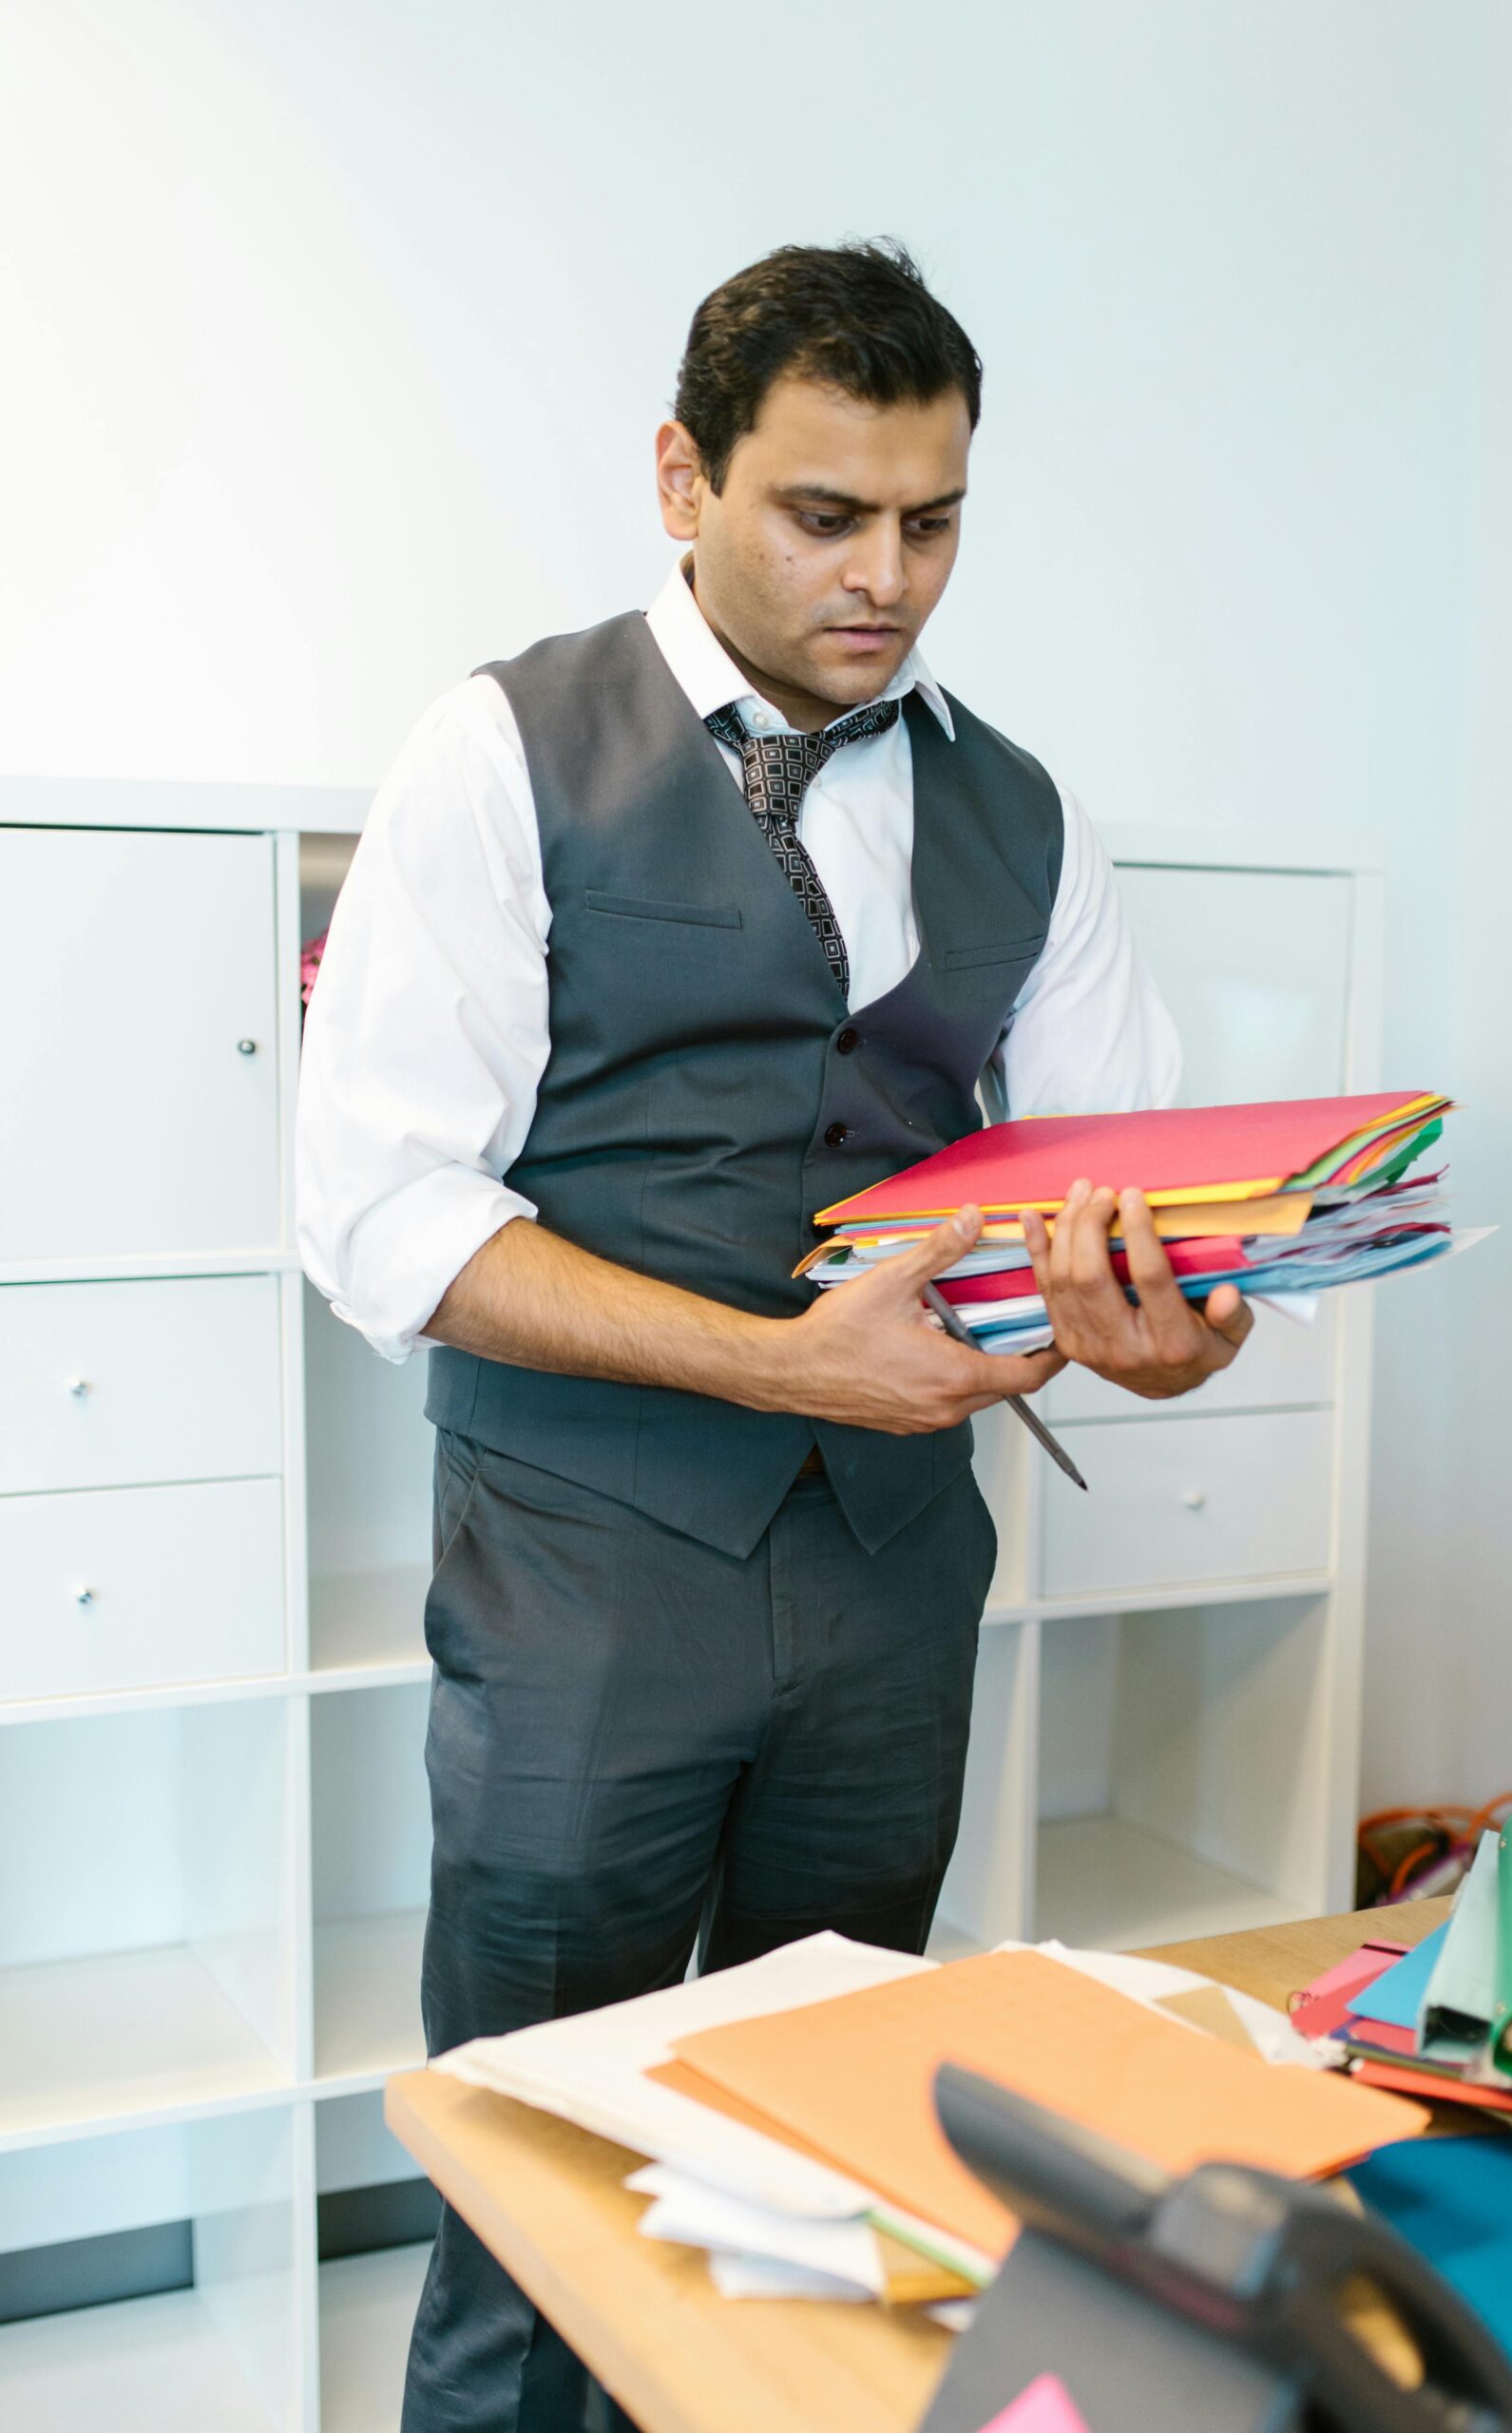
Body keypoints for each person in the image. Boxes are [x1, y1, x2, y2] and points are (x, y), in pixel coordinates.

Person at [297, 238, 1252, 2433]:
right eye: (825, 513)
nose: (886, 576)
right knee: (541, 2182)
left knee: (821, 2165)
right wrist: (776, 1362)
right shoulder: (499, 749)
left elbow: (1147, 1233)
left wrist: (1166, 1328)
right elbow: (382, 1214)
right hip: (582, 1578)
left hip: (894, 1579)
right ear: (680, 476)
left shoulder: (1024, 806)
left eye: (931, 521)